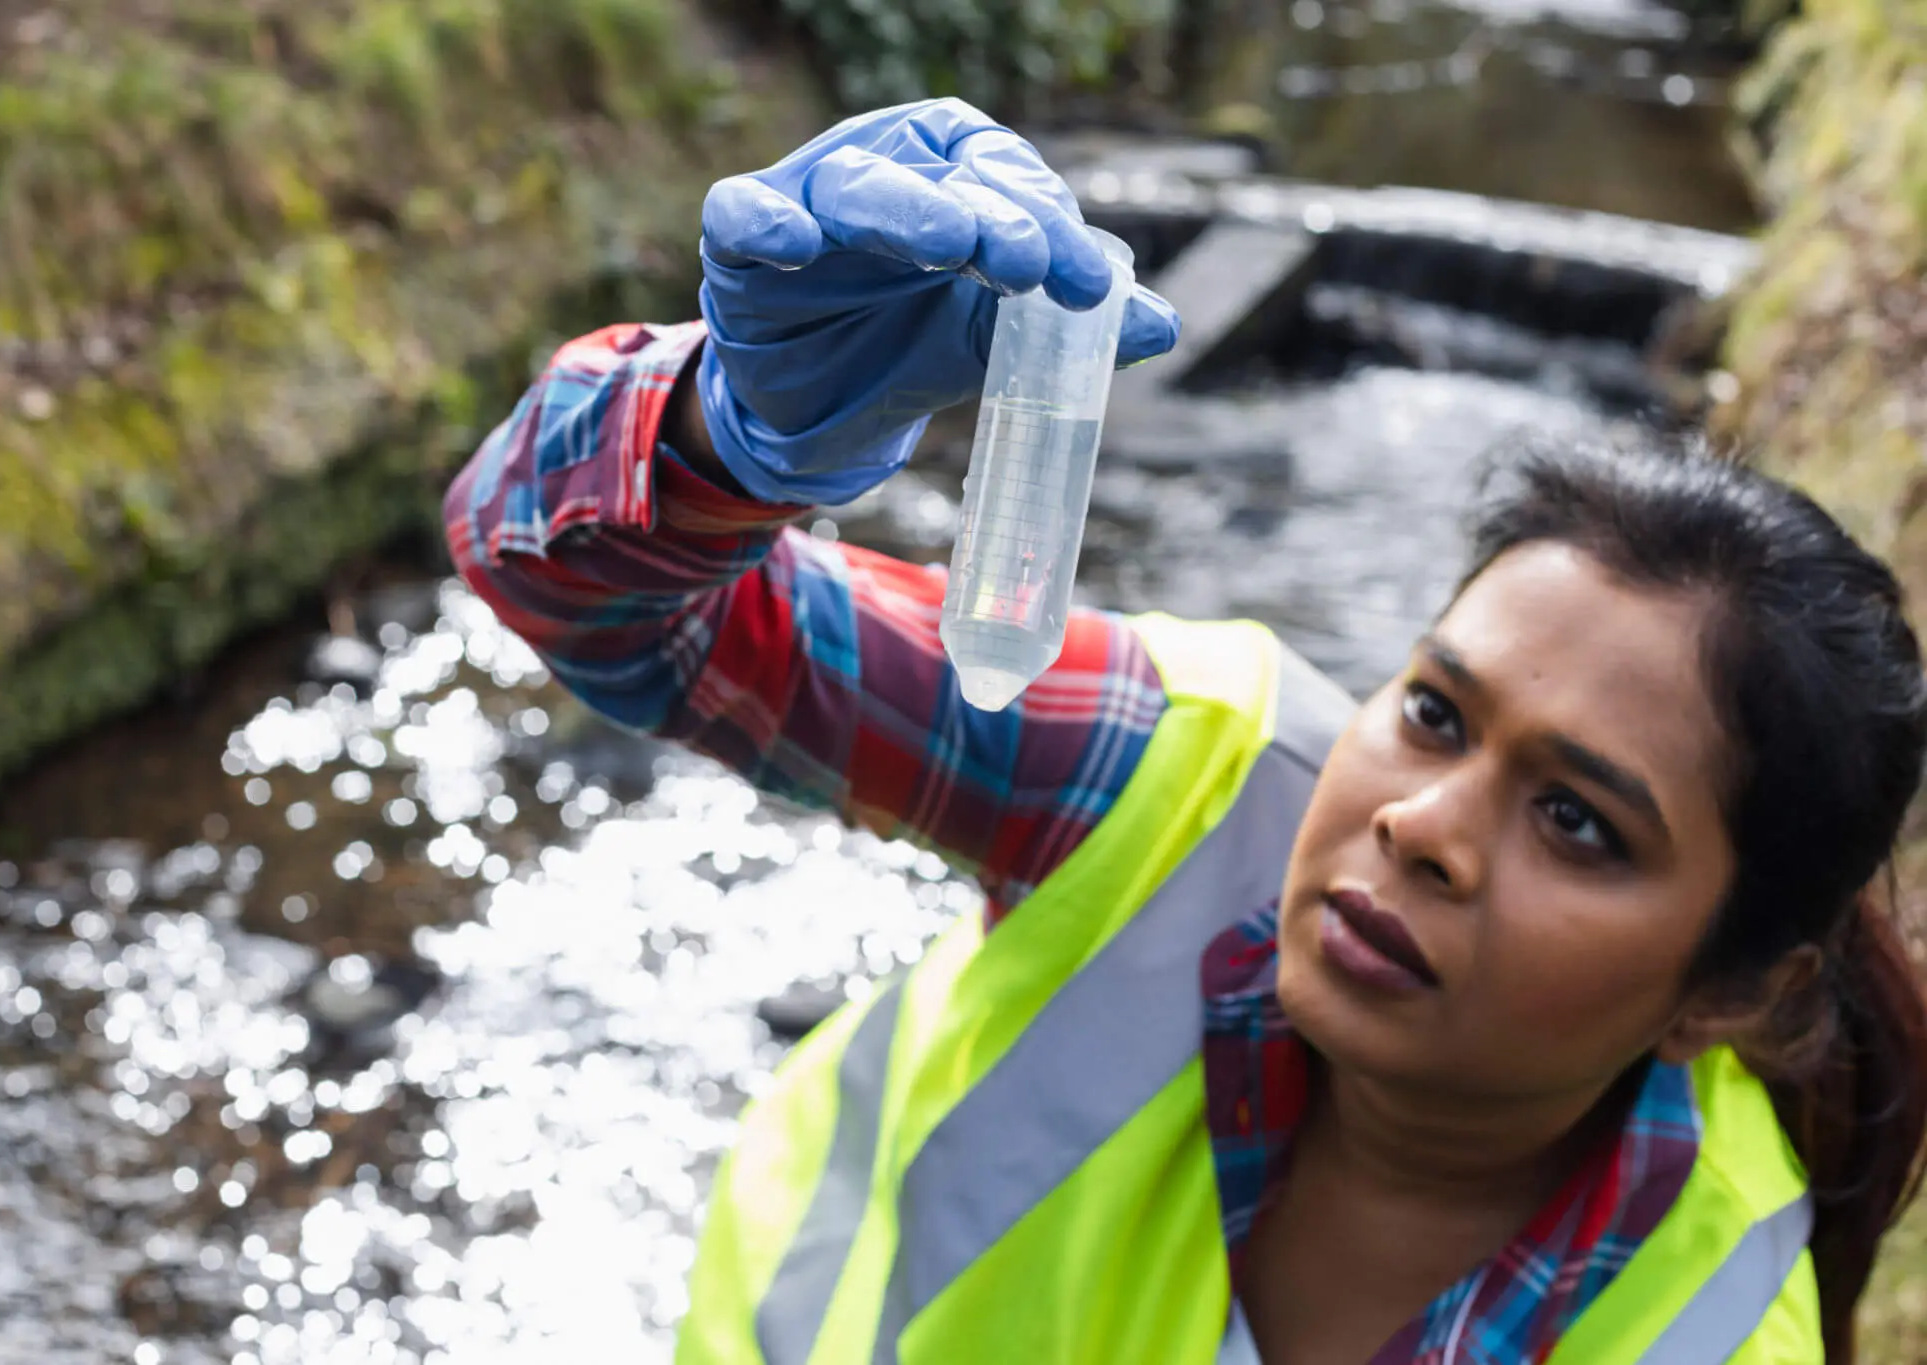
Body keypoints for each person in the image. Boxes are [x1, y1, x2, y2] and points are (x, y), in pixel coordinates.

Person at [443, 99, 1927, 1365]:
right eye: (1432, 713)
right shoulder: (1186, 776)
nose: (1423, 824)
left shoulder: (1710, 1331)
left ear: (1726, 993)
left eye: (1580, 823)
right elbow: (629, 615)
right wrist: (724, 433)